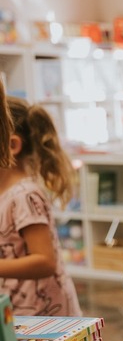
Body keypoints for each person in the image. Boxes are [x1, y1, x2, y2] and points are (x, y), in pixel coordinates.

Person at [0, 95, 82, 317]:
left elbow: (45, 261)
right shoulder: (6, 194)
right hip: (19, 310)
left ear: (12, 145)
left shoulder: (25, 195)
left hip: (47, 318)